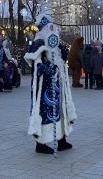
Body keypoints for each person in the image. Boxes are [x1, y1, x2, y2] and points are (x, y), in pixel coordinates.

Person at [24, 13, 77, 154]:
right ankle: (40, 144)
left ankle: (61, 139)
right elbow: (35, 61)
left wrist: (63, 52)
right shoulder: (39, 42)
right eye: (49, 27)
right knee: (46, 111)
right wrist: (44, 68)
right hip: (45, 85)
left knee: (60, 110)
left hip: (58, 83)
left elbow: (61, 57)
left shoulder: (55, 41)